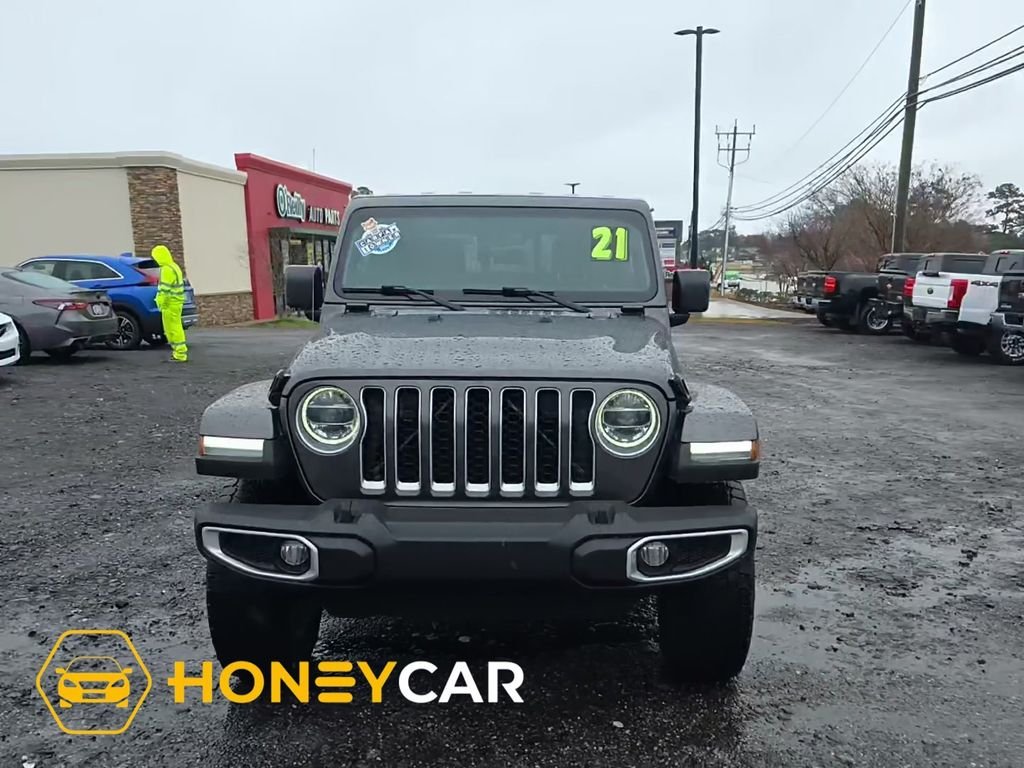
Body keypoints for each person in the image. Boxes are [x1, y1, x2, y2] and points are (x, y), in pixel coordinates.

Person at [152, 244, 188, 362]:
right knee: (176, 327)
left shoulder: (166, 269)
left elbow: (164, 289)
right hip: (177, 302)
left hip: (170, 304)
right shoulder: (174, 266)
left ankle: (179, 353)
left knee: (172, 328)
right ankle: (179, 352)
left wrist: (160, 301)